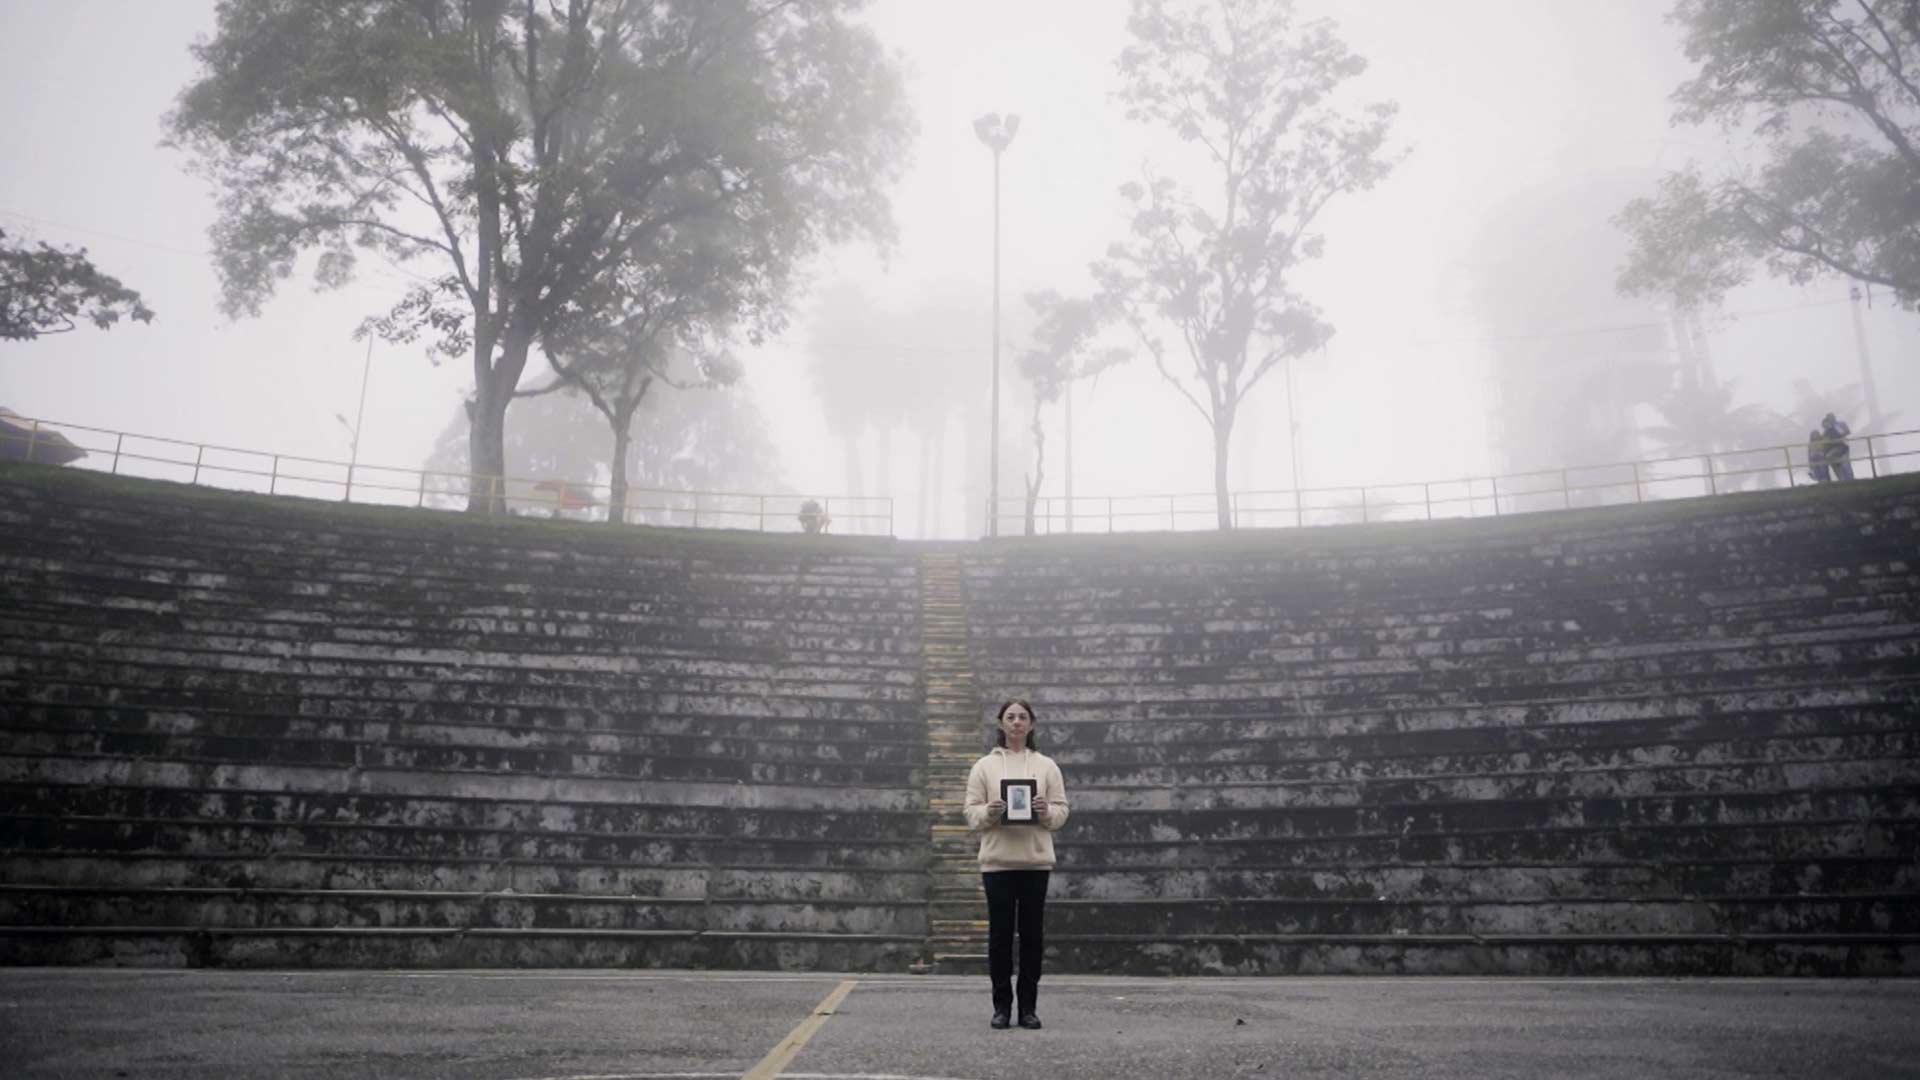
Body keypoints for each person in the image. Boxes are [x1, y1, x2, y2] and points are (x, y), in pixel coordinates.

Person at [963, 698, 1070, 1031]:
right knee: (1000, 938)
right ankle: (1001, 1007)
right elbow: (970, 812)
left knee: (1032, 937)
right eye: (1010, 717)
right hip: (997, 864)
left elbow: (1061, 812)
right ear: (1000, 724)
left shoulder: (1047, 766)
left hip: (1035, 864)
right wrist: (989, 813)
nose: (1016, 722)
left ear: (1032, 724)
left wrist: (1046, 812)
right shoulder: (984, 767)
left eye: (1023, 717)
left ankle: (1028, 1007)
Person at [1822, 413, 1855, 481]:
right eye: (1829, 418)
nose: (1830, 419)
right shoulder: (1826, 429)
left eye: (1831, 417)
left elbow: (1847, 432)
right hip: (1832, 450)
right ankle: (1842, 480)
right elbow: (1825, 440)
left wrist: (1837, 434)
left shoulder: (1841, 423)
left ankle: (1851, 480)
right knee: (1836, 466)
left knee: (1845, 464)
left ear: (1834, 417)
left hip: (1843, 447)